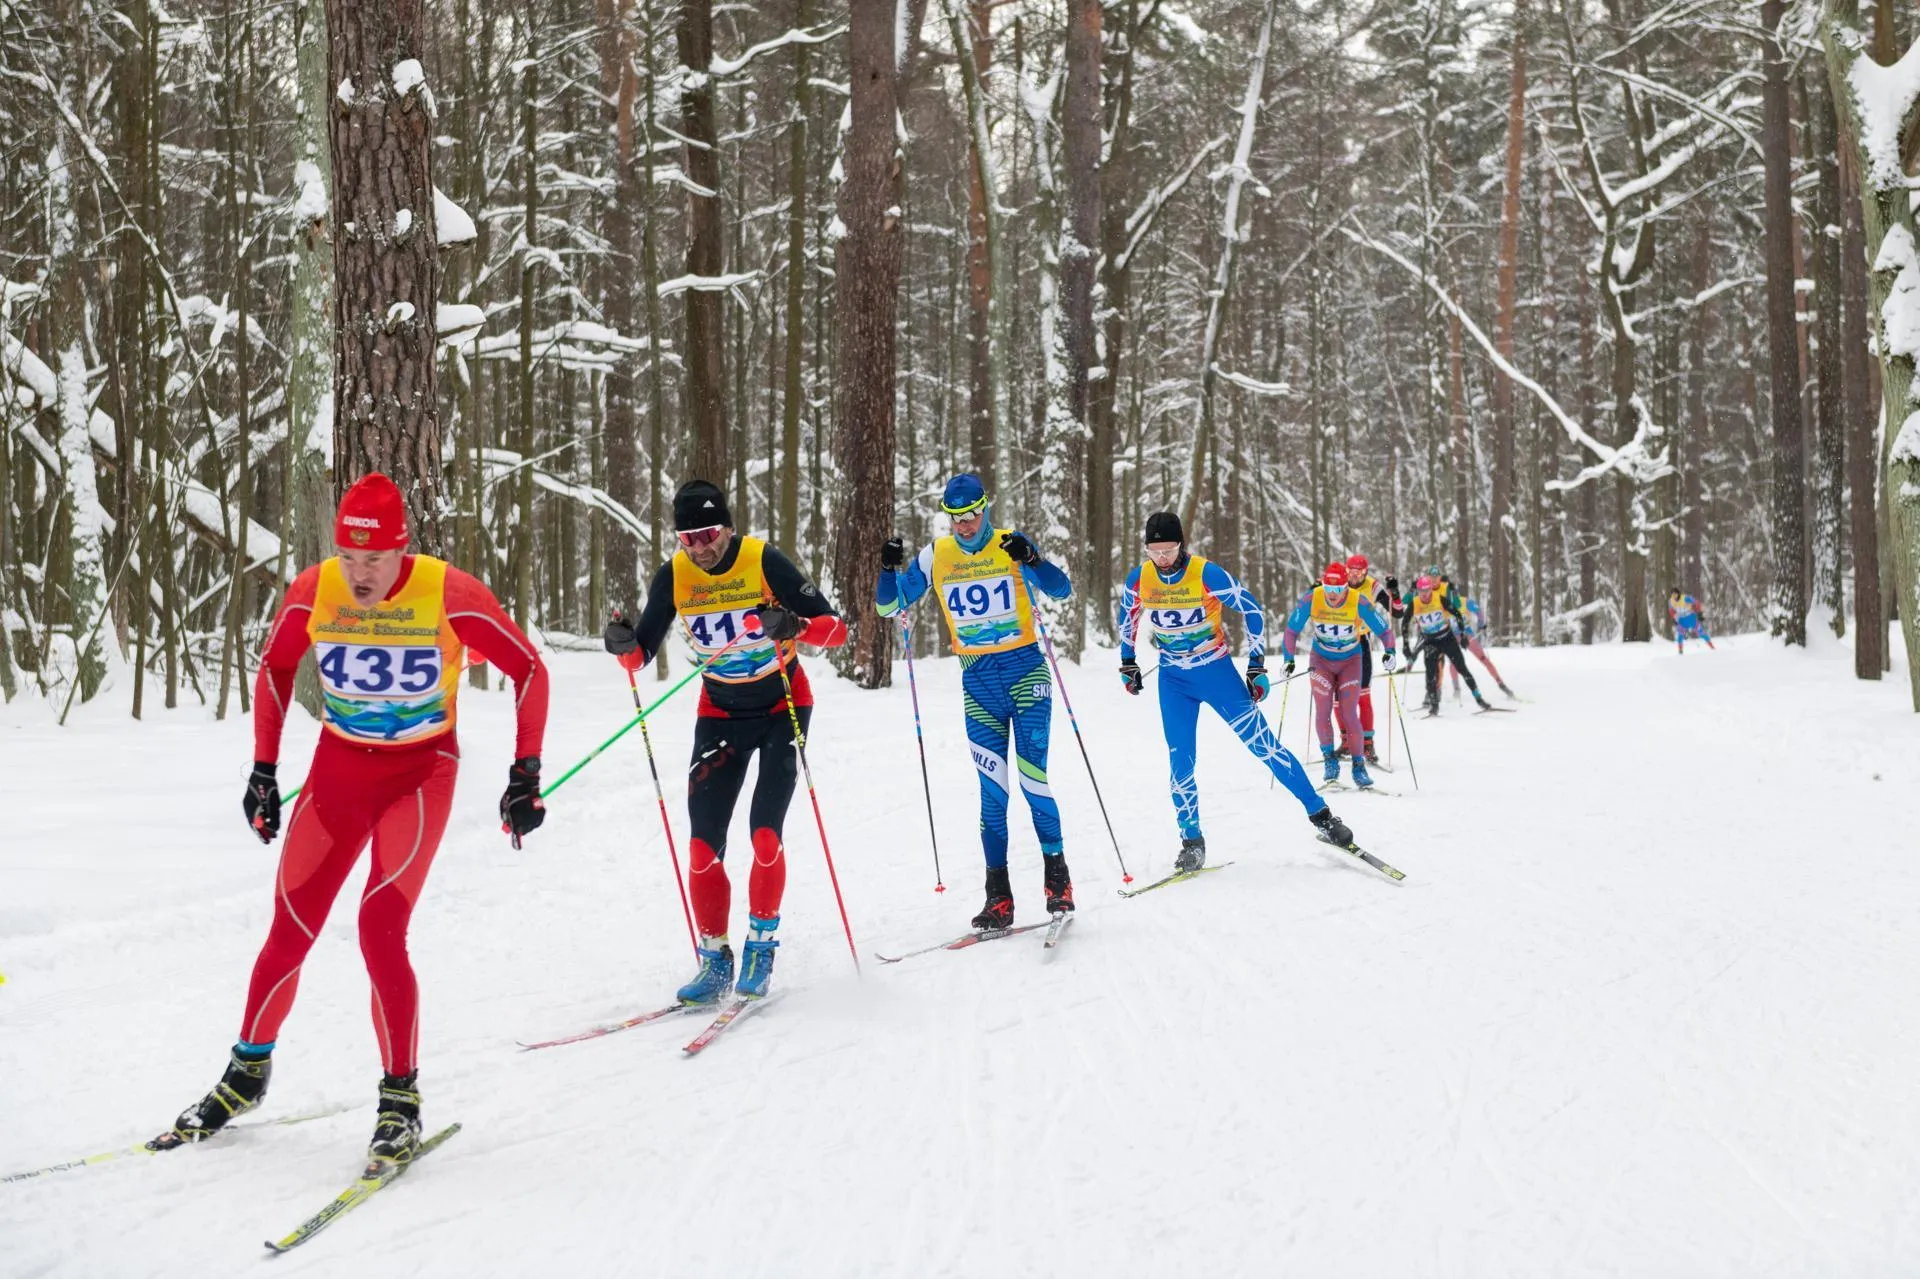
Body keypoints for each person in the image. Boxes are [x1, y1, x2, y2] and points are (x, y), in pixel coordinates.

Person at [158, 473, 550, 1167]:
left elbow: (529, 670)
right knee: (289, 929)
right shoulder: (314, 590)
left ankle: (400, 1100)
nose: (360, 572)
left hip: (419, 776)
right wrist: (263, 770)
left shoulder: (450, 593)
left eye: (374, 558)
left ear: (403, 550)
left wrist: (525, 772)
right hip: (339, 773)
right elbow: (276, 670)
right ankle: (248, 1071)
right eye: (349, 555)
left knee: (378, 928)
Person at [604, 480, 847, 1004]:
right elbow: (639, 655)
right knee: (700, 847)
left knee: (764, 834)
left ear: (728, 528)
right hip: (719, 713)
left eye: (709, 533)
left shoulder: (763, 560)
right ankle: (714, 959)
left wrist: (795, 625)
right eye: (689, 537)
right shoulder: (674, 575)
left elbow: (836, 630)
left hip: (784, 705)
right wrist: (622, 645)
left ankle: (761, 944)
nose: (701, 546)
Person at [875, 474, 1075, 927]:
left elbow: (1060, 589)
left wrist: (1034, 558)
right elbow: (888, 607)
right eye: (956, 518)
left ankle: (1058, 881)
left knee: (1032, 779)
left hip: (1026, 675)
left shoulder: (1009, 544)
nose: (965, 525)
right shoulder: (935, 555)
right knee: (992, 793)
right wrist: (887, 571)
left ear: (986, 508)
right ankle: (998, 897)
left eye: (973, 514)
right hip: (978, 685)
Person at [1116, 512, 1353, 872]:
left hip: (1216, 672)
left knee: (1264, 746)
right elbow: (1127, 617)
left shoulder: (1205, 573)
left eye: (1169, 549)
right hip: (1174, 680)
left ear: (1182, 545)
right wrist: (1128, 661)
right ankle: (1191, 841)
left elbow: (1252, 609)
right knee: (1180, 760)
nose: (1162, 558)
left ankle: (1321, 815)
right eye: (1155, 550)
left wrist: (1256, 665)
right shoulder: (1140, 578)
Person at [1282, 562, 1398, 788]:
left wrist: (1390, 652)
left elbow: (1383, 629)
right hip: (1321, 660)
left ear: (1346, 587)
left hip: (1350, 661)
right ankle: (1329, 761)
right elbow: (1291, 630)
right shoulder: (1312, 598)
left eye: (1338, 590)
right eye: (1328, 589)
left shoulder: (1358, 600)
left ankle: (1358, 766)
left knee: (1348, 712)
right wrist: (1289, 659)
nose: (1332, 595)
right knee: (1323, 709)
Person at [1339, 553, 1401, 762]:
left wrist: (1394, 592)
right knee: (1338, 699)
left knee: (1363, 695)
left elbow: (1397, 612)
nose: (1355, 576)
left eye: (1360, 572)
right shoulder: (1339, 584)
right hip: (1338, 644)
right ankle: (1346, 742)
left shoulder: (1373, 587)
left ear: (1365, 573)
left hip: (1361, 643)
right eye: (1351, 571)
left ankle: (1367, 745)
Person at [1403, 574, 1490, 714]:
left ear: (1431, 589)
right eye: (1421, 591)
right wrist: (1405, 645)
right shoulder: (1415, 604)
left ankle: (1479, 699)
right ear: (1418, 592)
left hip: (1446, 638)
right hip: (1430, 641)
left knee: (1462, 668)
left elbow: (1457, 614)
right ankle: (1433, 704)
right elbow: (1404, 623)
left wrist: (1462, 636)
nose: (1424, 594)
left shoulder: (1440, 599)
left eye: (1427, 590)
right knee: (1430, 674)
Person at [1452, 583, 1515, 697]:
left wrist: (1482, 624)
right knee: (1454, 663)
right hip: (1453, 637)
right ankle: (1456, 689)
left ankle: (1501, 684)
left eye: (1455, 596)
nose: (1454, 599)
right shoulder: (1444, 606)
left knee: (1483, 659)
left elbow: (1478, 611)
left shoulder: (1465, 602)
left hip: (1467, 636)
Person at [1668, 588, 1715, 653]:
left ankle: (1711, 646)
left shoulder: (1685, 598)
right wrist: (1674, 618)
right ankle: (1680, 652)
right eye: (1672, 594)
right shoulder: (1671, 602)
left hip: (1691, 618)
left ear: (1678, 593)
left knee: (1701, 633)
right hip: (1682, 621)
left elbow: (1697, 603)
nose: (1674, 596)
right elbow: (1671, 611)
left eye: (1675, 594)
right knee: (1680, 636)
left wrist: (1700, 614)